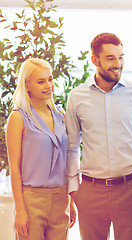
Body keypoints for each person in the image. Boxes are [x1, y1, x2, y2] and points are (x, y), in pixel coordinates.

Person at [66, 32, 132, 240]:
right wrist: (74, 190)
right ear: (95, 60)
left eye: (121, 57)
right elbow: (71, 149)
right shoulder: (76, 97)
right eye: (110, 58)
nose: (118, 63)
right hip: (91, 190)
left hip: (130, 189)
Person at [6, 58, 76, 240]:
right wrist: (20, 210)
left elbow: (66, 161)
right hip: (32, 200)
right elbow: (14, 169)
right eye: (41, 81)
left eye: (50, 79)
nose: (48, 85)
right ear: (27, 85)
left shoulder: (60, 114)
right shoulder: (18, 118)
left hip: (61, 198)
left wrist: (71, 201)